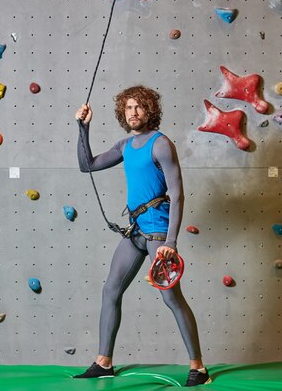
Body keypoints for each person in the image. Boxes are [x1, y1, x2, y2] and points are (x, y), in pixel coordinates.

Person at [73, 86, 211, 386]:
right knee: (111, 290)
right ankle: (104, 362)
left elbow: (177, 195)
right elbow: (88, 165)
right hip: (135, 231)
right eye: (128, 108)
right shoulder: (126, 145)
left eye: (139, 107)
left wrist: (171, 244)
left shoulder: (161, 145)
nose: (133, 112)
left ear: (150, 111)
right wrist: (83, 129)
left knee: (171, 297)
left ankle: (198, 368)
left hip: (159, 233)